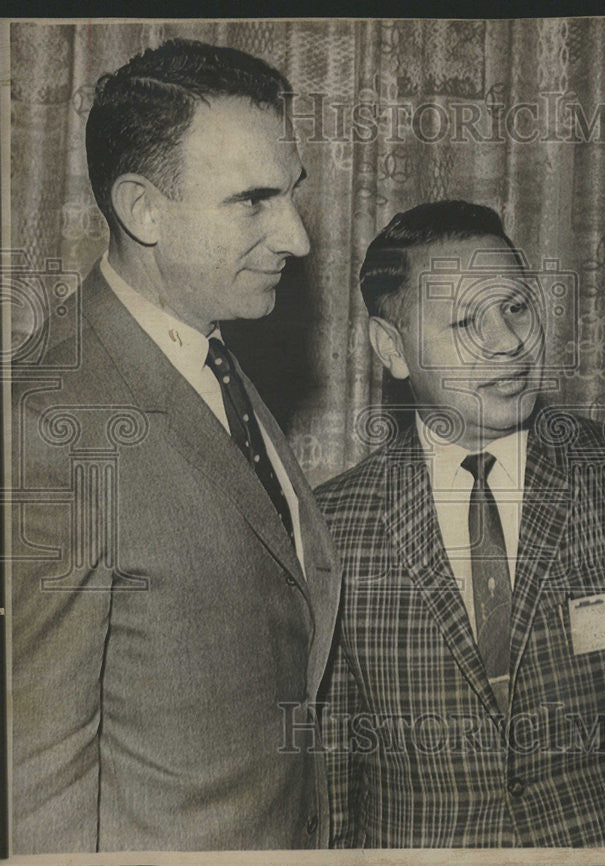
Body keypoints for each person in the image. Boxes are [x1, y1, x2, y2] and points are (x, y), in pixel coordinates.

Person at [10, 39, 341, 852]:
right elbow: (34, 779)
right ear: (143, 209)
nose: (296, 237)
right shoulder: (47, 423)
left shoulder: (208, 350)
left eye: (291, 194)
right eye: (253, 202)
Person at [314, 200, 605, 847]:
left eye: (516, 308)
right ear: (391, 347)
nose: (507, 342)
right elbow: (327, 783)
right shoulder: (331, 527)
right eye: (466, 321)